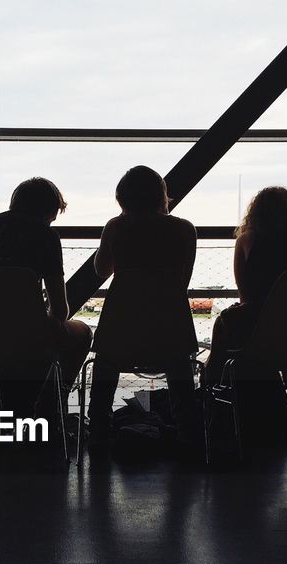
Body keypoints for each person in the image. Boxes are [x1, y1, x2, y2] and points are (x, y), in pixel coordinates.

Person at [0, 177, 91, 417]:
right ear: (49, 212)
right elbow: (59, 311)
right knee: (83, 334)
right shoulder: (46, 236)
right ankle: (50, 408)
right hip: (26, 338)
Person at [203, 186, 287, 447]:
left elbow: (245, 294)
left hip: (258, 334)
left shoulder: (247, 240)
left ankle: (214, 408)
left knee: (227, 326)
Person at [87, 165, 199, 452]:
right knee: (180, 370)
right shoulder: (184, 229)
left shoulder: (116, 226)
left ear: (123, 197)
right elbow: (181, 281)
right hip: (171, 331)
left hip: (121, 330)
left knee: (105, 366)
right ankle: (188, 431)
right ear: (161, 195)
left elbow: (101, 270)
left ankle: (98, 428)